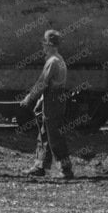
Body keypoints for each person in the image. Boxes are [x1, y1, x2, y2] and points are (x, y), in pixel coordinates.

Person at [21, 29, 74, 179]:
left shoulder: (52, 62)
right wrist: (41, 99)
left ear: (50, 45)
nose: (43, 48)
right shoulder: (59, 59)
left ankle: (65, 169)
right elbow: (52, 84)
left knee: (54, 136)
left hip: (53, 101)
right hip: (53, 99)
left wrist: (29, 98)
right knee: (44, 133)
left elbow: (42, 82)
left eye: (44, 44)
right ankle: (40, 166)